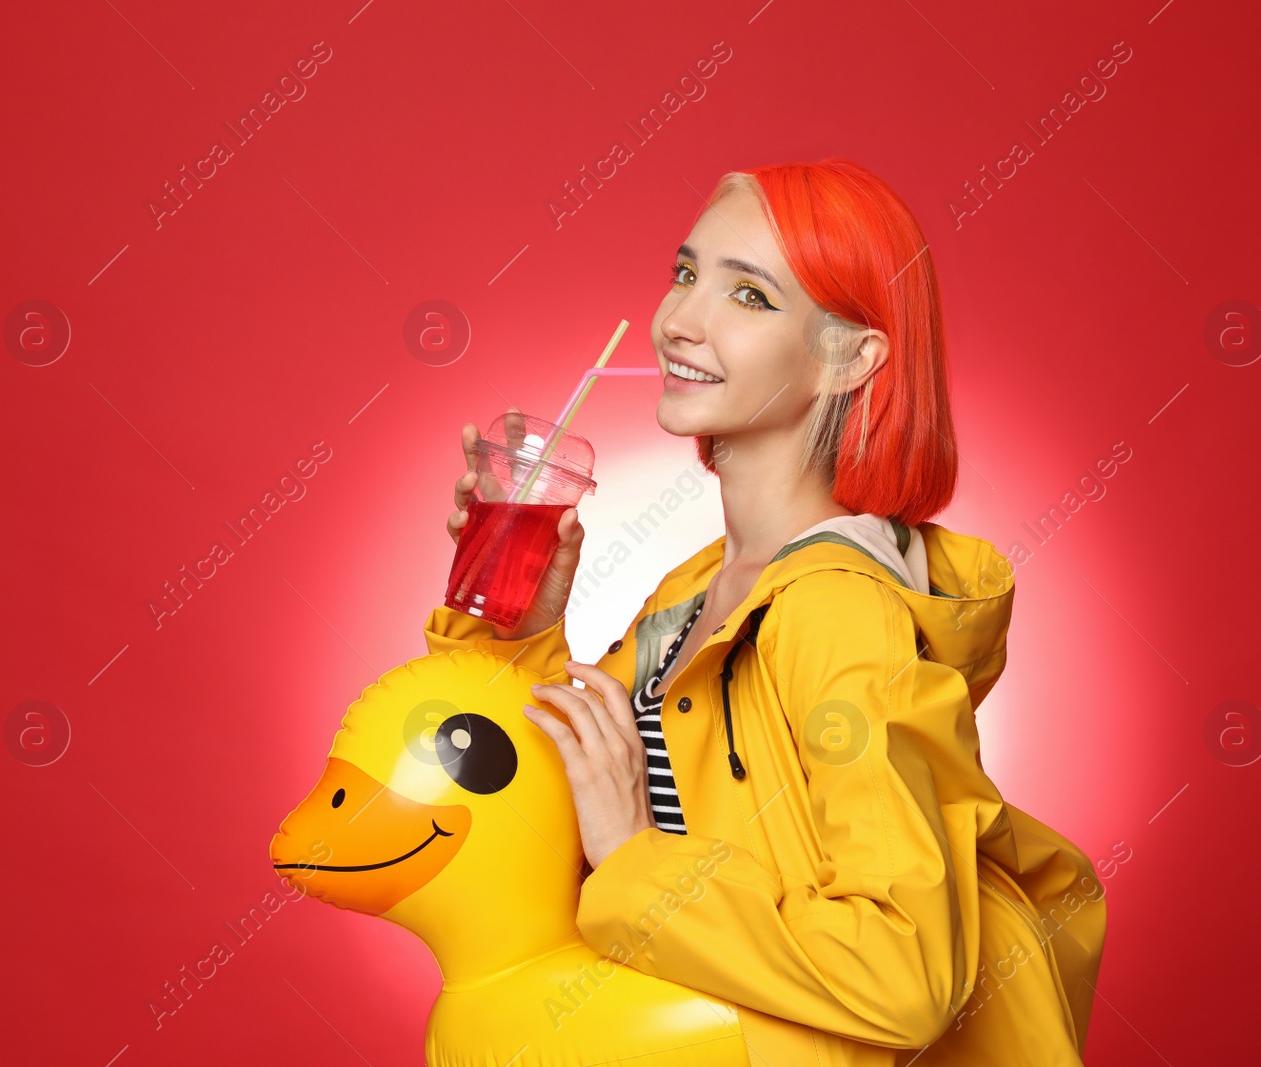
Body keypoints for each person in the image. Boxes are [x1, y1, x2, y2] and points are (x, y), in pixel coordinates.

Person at [424, 159, 1106, 1066]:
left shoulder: (837, 612)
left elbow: (903, 973)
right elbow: (529, 813)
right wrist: (514, 627)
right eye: (685, 273)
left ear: (850, 357)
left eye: (749, 296)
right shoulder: (699, 588)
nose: (681, 320)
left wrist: (636, 861)